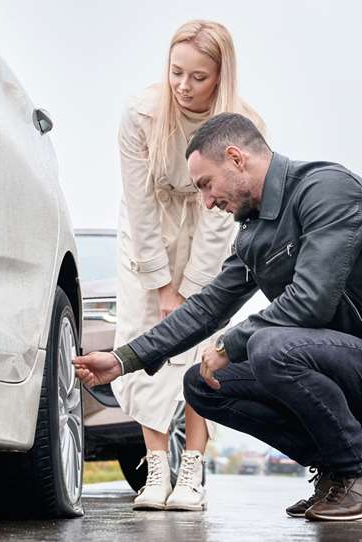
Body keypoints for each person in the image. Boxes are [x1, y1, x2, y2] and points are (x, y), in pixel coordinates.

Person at [74, 113, 362, 522]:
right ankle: (337, 470)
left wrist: (231, 343)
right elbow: (207, 306)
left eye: (206, 185)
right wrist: (125, 359)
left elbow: (311, 300)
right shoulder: (253, 233)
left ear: (236, 158)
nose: (208, 201)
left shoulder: (329, 191)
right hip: (335, 366)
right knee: (202, 384)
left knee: (270, 346)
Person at [111, 19, 264, 512]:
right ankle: (156, 469)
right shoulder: (139, 114)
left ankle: (193, 469)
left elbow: (224, 217)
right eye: (176, 72)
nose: (183, 85)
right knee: (144, 343)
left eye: (198, 77)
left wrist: (192, 292)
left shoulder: (242, 124)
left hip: (209, 225)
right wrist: (160, 285)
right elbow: (138, 203)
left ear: (220, 77)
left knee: (197, 344)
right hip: (148, 230)